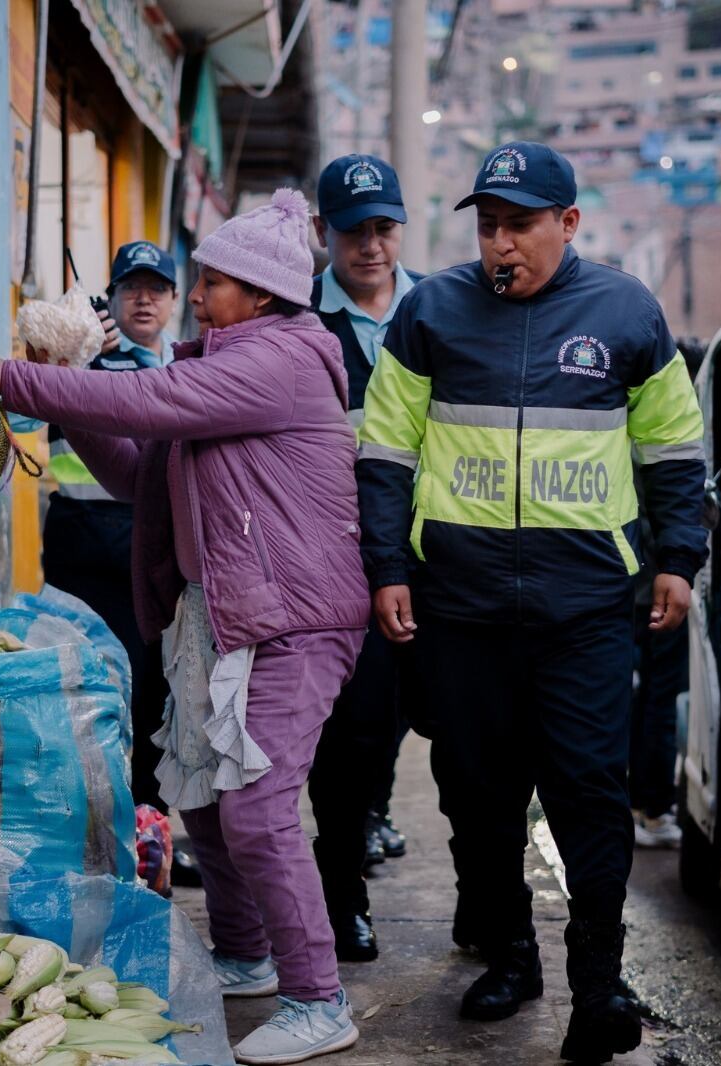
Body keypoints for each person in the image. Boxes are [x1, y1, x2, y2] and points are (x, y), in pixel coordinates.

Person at [0, 189, 372, 1065]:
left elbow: (156, 402)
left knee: (257, 812)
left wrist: (4, 374)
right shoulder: (224, 363)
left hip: (293, 619)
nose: (199, 292)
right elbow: (144, 469)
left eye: (212, 281)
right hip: (224, 618)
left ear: (258, 294)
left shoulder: (284, 357)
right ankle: (247, 954)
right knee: (208, 806)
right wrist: (64, 399)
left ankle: (320, 997)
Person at [355, 142, 707, 1063]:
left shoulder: (627, 312)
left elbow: (673, 447)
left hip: (586, 607)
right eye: (487, 225)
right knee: (478, 794)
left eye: (519, 225)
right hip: (461, 607)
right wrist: (388, 566)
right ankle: (510, 954)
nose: (499, 243)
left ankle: (599, 983)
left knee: (591, 789)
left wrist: (679, 556)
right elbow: (386, 451)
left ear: (569, 224)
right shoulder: (431, 310)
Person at [305, 153, 424, 963]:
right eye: (354, 232)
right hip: (338, 567)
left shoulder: (444, 312)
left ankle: (493, 911)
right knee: (343, 742)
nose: (371, 246)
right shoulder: (297, 323)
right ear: (325, 235)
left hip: (436, 560)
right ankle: (343, 898)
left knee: (441, 737)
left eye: (383, 228)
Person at [40, 243, 187, 840]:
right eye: (131, 288)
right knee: (98, 694)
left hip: (160, 557)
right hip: (89, 555)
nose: (143, 299)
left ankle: (149, 830)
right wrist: (68, 361)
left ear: (177, 301)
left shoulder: (188, 367)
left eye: (156, 288)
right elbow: (25, 416)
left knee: (159, 696)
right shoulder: (83, 362)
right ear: (113, 299)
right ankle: (102, 828)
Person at [629, 339, 705, 849]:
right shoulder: (669, 435)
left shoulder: (631, 423)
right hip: (656, 586)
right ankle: (653, 808)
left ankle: (641, 803)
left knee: (637, 698)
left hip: (631, 584)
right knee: (659, 697)